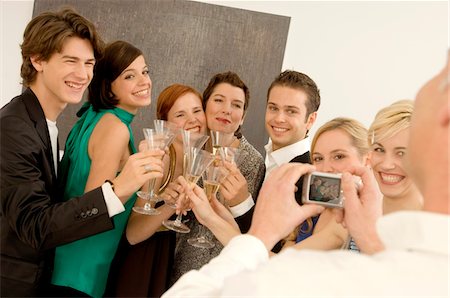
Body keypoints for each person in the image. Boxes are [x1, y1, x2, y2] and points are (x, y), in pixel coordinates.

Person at [162, 53, 450, 297]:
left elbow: (272, 262)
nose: (325, 170)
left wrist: (250, 223)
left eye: (339, 157)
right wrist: (213, 215)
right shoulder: (339, 215)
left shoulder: (328, 205)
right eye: (320, 158)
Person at [0, 8, 163, 297]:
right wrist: (117, 189)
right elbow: (36, 226)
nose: (83, 74)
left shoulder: (43, 124)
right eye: (71, 61)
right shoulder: (14, 128)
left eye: (89, 63)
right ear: (37, 60)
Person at [49, 40, 164, 297]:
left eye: (145, 72)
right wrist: (136, 177)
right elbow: (91, 210)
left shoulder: (94, 117)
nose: (144, 81)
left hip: (66, 263)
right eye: (129, 76)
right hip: (81, 273)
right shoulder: (116, 129)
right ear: (108, 84)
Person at [109, 83, 207, 297]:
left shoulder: (200, 161)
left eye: (197, 111)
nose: (193, 120)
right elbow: (133, 234)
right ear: (166, 124)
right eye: (181, 114)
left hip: (168, 259)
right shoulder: (159, 158)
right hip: (141, 259)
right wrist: (171, 205)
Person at [170, 71, 265, 283]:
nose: (226, 110)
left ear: (243, 117)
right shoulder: (192, 146)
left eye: (236, 105)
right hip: (178, 260)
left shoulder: (252, 161)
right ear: (205, 106)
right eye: (219, 100)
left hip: (221, 271)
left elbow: (245, 227)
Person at [368, 99, 423, 214]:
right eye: (379, 149)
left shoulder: (440, 225)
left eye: (402, 153)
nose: (386, 165)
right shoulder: (348, 216)